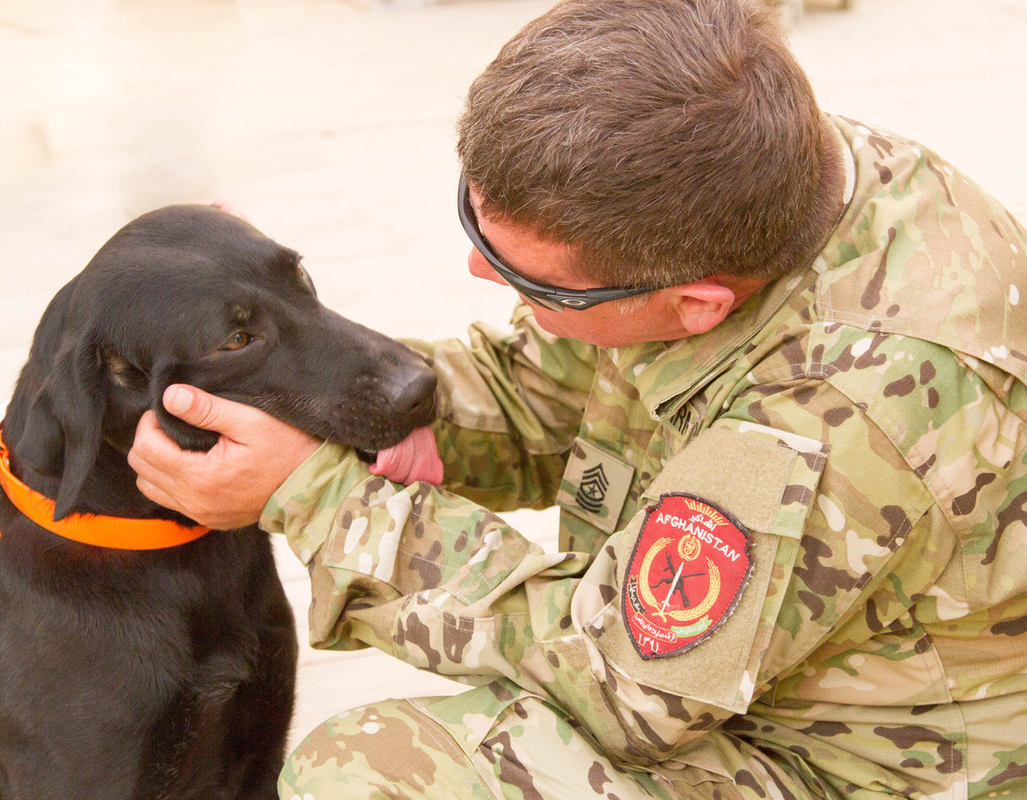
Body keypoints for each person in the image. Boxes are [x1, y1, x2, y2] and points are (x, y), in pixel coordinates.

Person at [128, 0, 1027, 797]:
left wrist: (321, 502)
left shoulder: (834, 417)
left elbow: (623, 686)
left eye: (531, 279)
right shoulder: (744, 167)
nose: (477, 268)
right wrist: (338, 400)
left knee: (378, 770)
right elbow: (543, 385)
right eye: (475, 218)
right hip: (752, 672)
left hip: (867, 766)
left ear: (697, 303)